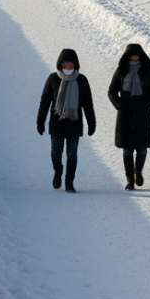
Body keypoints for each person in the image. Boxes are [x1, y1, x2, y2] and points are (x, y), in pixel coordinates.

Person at [36, 48, 97, 192]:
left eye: (70, 65)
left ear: (75, 65)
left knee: (72, 155)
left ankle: (69, 182)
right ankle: (58, 172)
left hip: (74, 124)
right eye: (65, 65)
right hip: (57, 124)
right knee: (55, 153)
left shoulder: (82, 80)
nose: (68, 68)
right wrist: (40, 121)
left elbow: (87, 103)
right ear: (60, 65)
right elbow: (45, 101)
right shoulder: (53, 79)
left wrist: (91, 122)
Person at [107, 44, 150, 190]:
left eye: (137, 56)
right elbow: (111, 91)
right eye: (132, 56)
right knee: (127, 149)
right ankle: (130, 180)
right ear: (127, 57)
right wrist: (119, 105)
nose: (135, 59)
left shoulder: (147, 71)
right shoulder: (121, 71)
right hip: (125, 114)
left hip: (142, 113)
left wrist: (147, 106)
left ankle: (138, 171)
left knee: (142, 149)